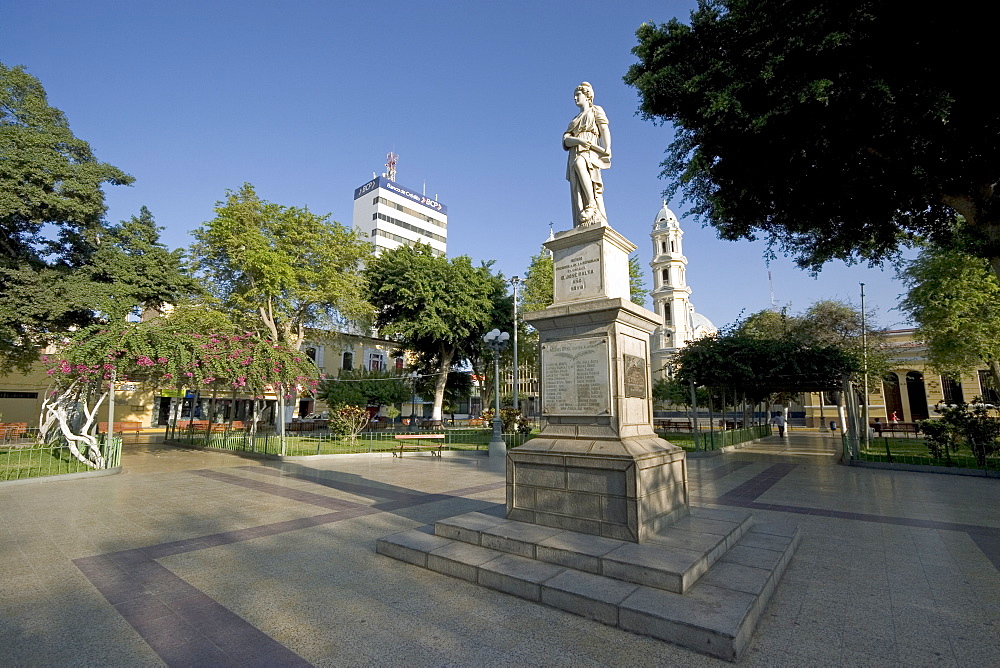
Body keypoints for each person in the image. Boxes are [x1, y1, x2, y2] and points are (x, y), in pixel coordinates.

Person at [564, 81, 611, 227]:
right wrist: (578, 140)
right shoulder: (574, 120)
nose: (575, 98)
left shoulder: (596, 110)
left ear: (587, 96)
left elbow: (604, 129)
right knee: (577, 182)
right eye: (575, 95)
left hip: (591, 149)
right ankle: (584, 208)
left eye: (578, 95)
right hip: (576, 149)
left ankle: (591, 204)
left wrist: (607, 147)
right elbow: (565, 140)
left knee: (581, 164)